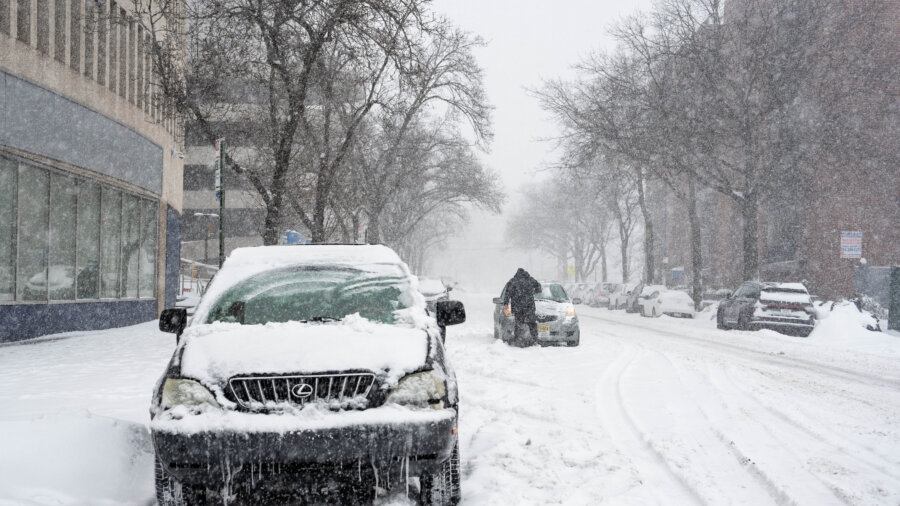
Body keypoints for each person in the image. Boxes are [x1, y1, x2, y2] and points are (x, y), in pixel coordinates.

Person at [502, 268, 542, 344]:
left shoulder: (513, 281)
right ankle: (534, 339)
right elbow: (539, 287)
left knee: (518, 323)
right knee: (532, 323)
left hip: (518, 307)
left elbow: (507, 293)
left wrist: (506, 304)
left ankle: (518, 339)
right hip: (529, 306)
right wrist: (534, 291)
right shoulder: (530, 279)